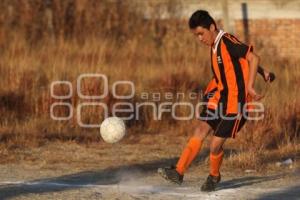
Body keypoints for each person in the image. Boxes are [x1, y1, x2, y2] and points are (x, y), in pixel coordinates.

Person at [158, 10, 275, 192]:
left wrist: (251, 85)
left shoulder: (227, 41)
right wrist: (263, 72)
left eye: (201, 33)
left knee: (214, 145)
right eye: (196, 35)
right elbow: (242, 60)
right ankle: (178, 172)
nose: (199, 38)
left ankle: (214, 176)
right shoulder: (214, 46)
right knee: (201, 128)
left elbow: (253, 57)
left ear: (212, 27)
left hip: (237, 104)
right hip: (221, 98)